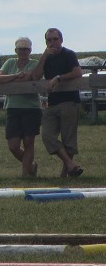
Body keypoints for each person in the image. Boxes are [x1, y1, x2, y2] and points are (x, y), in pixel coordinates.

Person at [29, 28, 84, 177]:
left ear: (61, 39)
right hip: (52, 103)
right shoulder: (47, 57)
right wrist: (44, 56)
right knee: (47, 136)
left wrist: (59, 77)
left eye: (55, 39)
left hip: (69, 101)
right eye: (49, 40)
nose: (52, 42)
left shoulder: (68, 54)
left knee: (68, 140)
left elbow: (78, 72)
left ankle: (64, 175)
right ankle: (71, 165)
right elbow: (36, 76)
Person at [0, 36, 41, 177]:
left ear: (30, 50)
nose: (23, 52)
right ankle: (31, 166)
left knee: (29, 141)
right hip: (13, 106)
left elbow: (31, 77)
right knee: (13, 145)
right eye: (21, 49)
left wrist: (14, 78)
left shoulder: (35, 63)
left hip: (31, 107)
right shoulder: (10, 63)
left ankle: (25, 174)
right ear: (16, 50)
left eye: (26, 49)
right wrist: (16, 76)